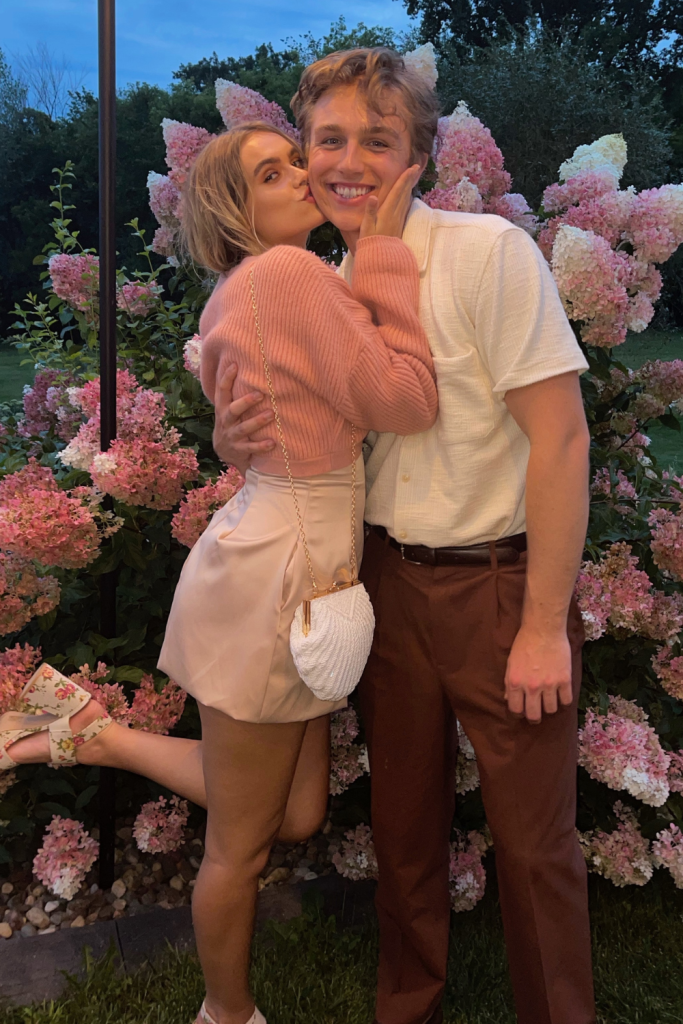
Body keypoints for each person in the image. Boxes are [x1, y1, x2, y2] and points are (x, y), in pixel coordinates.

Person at [0, 120, 438, 1024]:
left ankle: (96, 733)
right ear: (236, 212)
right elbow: (404, 399)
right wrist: (387, 257)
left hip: (289, 563)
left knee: (300, 813)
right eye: (269, 174)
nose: (298, 179)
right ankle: (225, 1014)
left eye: (289, 161)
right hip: (278, 578)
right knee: (239, 848)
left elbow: (264, 417)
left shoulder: (239, 291)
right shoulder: (286, 272)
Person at [215, 49, 595, 1024]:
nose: (348, 161)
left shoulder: (486, 253)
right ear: (305, 154)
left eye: (375, 140)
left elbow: (558, 438)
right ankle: (406, 1004)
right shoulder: (323, 281)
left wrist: (545, 623)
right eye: (328, 138)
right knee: (404, 827)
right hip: (382, 585)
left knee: (534, 844)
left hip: (499, 587)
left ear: (415, 155)